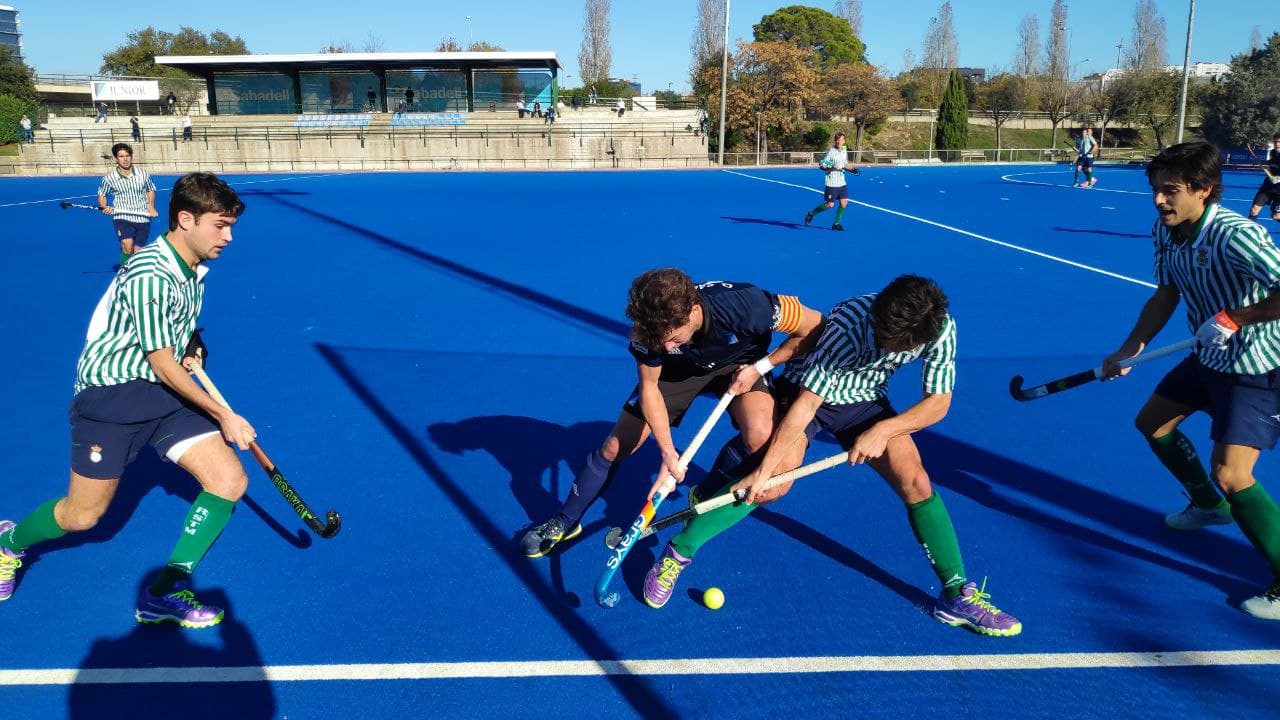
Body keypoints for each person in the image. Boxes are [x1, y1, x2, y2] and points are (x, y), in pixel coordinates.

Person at [641, 276, 1023, 636]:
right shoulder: (852, 325)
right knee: (771, 486)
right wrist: (765, 475)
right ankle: (679, 551)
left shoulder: (939, 328)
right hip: (806, 396)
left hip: (866, 403)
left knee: (917, 481)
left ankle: (955, 594)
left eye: (887, 340)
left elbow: (938, 402)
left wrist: (884, 430)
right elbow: (807, 406)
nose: (877, 336)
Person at [0, 172, 255, 629]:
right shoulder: (149, 273)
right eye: (220, 225)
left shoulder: (190, 267)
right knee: (83, 516)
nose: (229, 237)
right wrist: (224, 415)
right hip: (111, 397)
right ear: (184, 219)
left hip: (163, 395)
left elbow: (173, 338)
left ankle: (163, 593)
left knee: (228, 480)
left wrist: (193, 342)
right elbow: (161, 362)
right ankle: (9, 542)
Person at [519, 269, 823, 558]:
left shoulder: (746, 304)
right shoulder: (648, 330)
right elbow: (650, 387)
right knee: (615, 445)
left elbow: (814, 326)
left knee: (761, 435)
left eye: (673, 337)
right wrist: (667, 453)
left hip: (740, 365)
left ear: (692, 311)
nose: (664, 345)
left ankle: (703, 496)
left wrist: (763, 366)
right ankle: (565, 520)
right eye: (658, 339)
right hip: (678, 373)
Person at [1101, 140, 1280, 621]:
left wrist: (1239, 317)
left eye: (1171, 191)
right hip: (1210, 357)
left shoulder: (1234, 234)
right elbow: (1166, 294)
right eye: (1156, 190)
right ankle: (1206, 505)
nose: (1160, 200)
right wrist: (1130, 349)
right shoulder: (1168, 230)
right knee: (1152, 423)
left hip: (1259, 366)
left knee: (1232, 474)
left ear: (1204, 190)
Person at [98, 143, 158, 267]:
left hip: (142, 216)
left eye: (127, 156)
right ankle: (124, 274)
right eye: (121, 156)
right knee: (127, 245)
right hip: (122, 216)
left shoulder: (143, 174)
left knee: (137, 252)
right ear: (116, 158)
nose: (125, 159)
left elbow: (150, 189)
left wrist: (151, 206)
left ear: (131, 156)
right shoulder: (109, 178)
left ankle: (135, 271)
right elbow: (102, 194)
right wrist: (104, 206)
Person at [803, 132, 861, 232]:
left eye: (841, 140)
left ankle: (836, 224)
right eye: (838, 140)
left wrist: (853, 169)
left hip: (842, 182)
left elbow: (845, 164)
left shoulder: (844, 150)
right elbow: (823, 165)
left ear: (844, 141)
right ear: (835, 141)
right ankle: (811, 214)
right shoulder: (831, 152)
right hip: (832, 183)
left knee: (844, 203)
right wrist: (830, 166)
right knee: (830, 205)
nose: (839, 142)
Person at [1247, 132, 1280, 224]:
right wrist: (1260, 162)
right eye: (1276, 142)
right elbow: (1270, 165)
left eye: (1279, 142)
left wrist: (1278, 179)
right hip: (1267, 188)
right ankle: (1250, 232)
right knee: (1253, 210)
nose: (1277, 144)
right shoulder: (1273, 153)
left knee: (1276, 216)